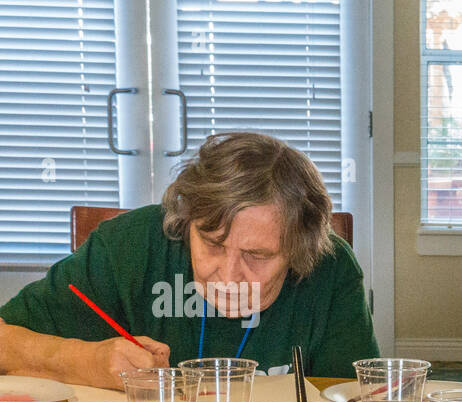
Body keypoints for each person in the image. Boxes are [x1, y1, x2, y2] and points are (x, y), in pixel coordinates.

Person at [0, 132, 378, 388]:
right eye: (213, 244)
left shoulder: (331, 266)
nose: (229, 275)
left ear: (300, 252)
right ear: (185, 224)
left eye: (257, 255)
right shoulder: (128, 245)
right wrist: (87, 360)